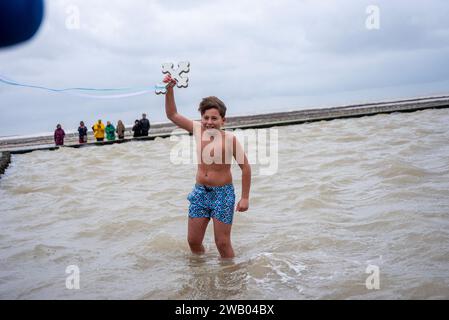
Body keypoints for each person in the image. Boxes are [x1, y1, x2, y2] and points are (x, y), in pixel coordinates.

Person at [162, 74, 251, 259]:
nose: (209, 122)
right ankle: (200, 272)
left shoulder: (230, 140)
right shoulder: (197, 130)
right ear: (201, 118)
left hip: (223, 195)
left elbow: (246, 168)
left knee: (222, 243)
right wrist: (169, 90)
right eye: (206, 117)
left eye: (214, 118)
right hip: (200, 192)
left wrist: (244, 198)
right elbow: (172, 114)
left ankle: (230, 278)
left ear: (223, 120)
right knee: (193, 241)